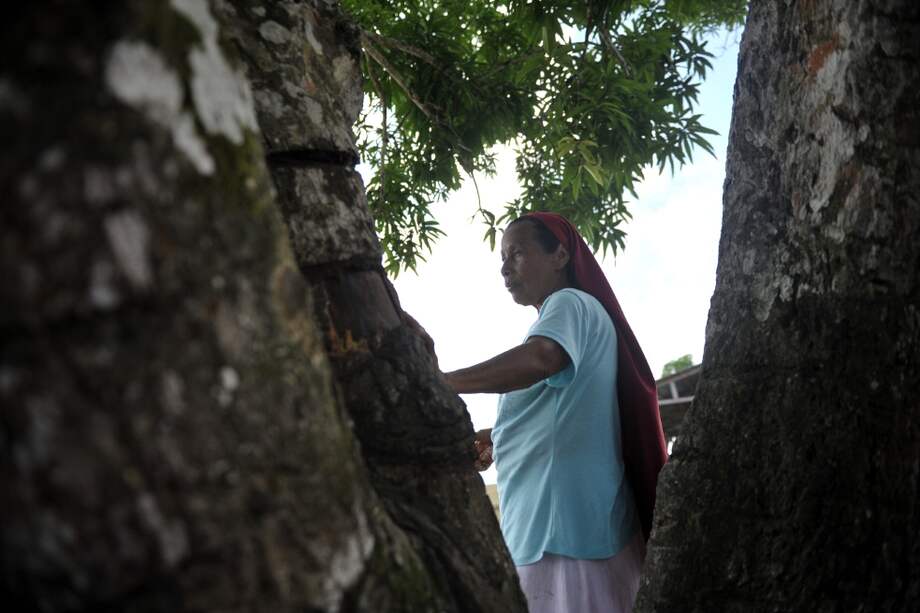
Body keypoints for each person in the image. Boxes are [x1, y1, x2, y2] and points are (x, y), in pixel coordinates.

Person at [443, 213, 667, 613]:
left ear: (560, 254)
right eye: (502, 257)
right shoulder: (573, 316)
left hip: (563, 531)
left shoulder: (569, 303)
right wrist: (497, 435)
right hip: (564, 524)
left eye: (517, 253)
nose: (504, 267)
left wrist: (442, 381)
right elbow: (563, 407)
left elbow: (542, 359)